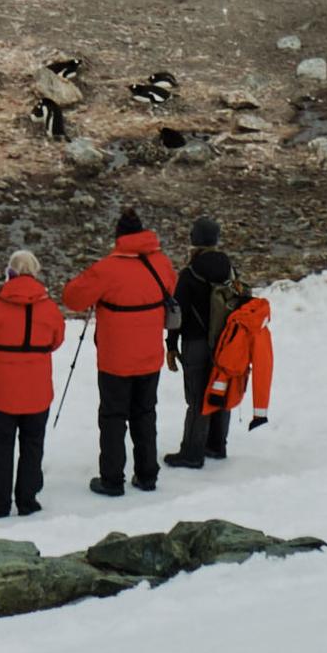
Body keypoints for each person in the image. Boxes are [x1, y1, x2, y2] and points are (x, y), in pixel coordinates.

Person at [63, 211, 178, 497]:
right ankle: (147, 474)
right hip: (150, 354)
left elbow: (73, 299)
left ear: (119, 237)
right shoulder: (161, 263)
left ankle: (112, 479)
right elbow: (173, 289)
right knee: (145, 413)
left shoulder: (108, 268)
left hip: (115, 359)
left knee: (113, 417)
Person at [0, 250, 66, 520]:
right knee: (33, 445)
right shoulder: (49, 309)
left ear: (9, 273)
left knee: (1, 446)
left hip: (3, 392)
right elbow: (57, 340)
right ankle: (27, 500)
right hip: (38, 392)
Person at [167, 214, 238, 471]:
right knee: (220, 389)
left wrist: (171, 345)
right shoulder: (230, 269)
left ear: (194, 240)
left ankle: (192, 452)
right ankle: (217, 445)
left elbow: (177, 313)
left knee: (197, 397)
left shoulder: (190, 273)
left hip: (196, 342)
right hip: (226, 343)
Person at [191, 284, 274, 461]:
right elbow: (263, 372)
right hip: (232, 376)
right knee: (221, 403)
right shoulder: (257, 324)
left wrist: (260, 415)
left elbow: (233, 363)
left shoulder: (242, 322)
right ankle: (217, 445)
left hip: (226, 373)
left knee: (206, 402)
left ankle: (195, 452)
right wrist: (260, 413)